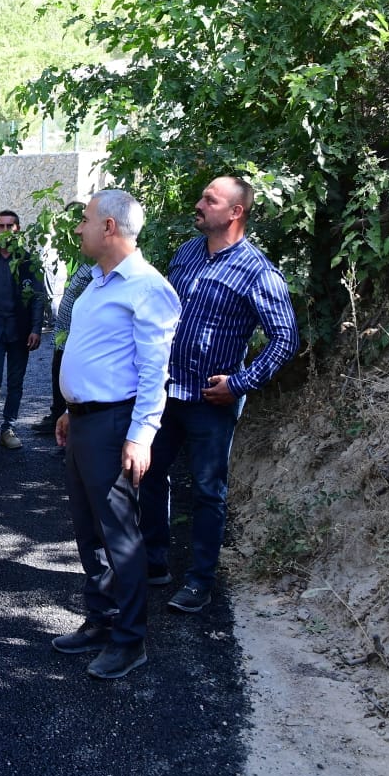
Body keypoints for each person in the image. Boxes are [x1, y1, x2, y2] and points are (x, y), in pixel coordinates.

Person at [139, 176, 298, 614]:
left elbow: (285, 338)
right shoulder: (187, 253)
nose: (199, 203)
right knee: (148, 473)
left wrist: (241, 384)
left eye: (210, 199)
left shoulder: (257, 271)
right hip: (168, 392)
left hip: (212, 401)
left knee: (209, 490)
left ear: (235, 212)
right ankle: (155, 562)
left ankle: (199, 580)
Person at [53, 189, 180, 680]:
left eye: (86, 219)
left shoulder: (147, 287)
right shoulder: (97, 283)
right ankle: (102, 619)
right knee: (90, 532)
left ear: (109, 227)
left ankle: (130, 641)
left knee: (120, 536)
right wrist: (70, 409)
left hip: (114, 426)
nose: (80, 228)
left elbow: (154, 372)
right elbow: (95, 356)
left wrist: (141, 435)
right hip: (85, 422)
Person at [0, 210, 45, 452]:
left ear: (18, 229)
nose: (5, 231)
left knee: (15, 382)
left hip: (19, 332)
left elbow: (38, 297)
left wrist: (36, 328)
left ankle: (8, 428)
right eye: (1, 226)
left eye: (10, 226)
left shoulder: (29, 261)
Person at [35, 259, 93, 435]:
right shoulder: (89, 261)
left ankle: (68, 431)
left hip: (75, 336)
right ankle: (57, 417)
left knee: (71, 380)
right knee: (59, 376)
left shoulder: (102, 267)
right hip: (64, 333)